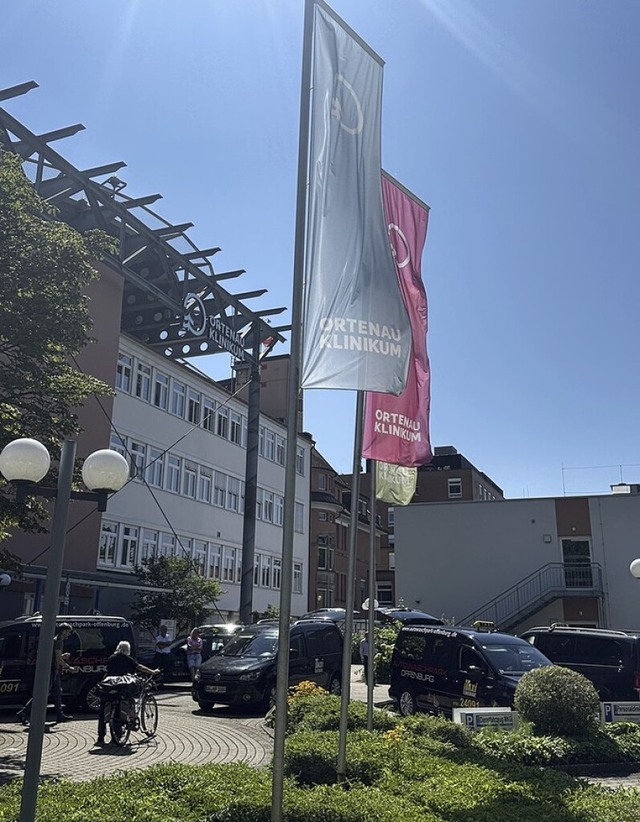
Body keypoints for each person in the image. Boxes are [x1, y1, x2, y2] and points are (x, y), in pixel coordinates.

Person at [96, 640, 159, 746]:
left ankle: (101, 737)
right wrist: (152, 672)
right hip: (122, 685)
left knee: (104, 708)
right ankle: (120, 731)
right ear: (128, 650)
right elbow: (139, 667)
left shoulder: (111, 658)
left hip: (109, 684)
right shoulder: (126, 658)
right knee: (126, 701)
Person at [18, 623, 78, 725]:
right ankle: (23, 712)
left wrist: (62, 656)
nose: (69, 634)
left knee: (58, 692)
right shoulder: (59, 642)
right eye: (68, 632)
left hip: (52, 669)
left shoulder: (55, 640)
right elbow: (58, 659)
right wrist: (68, 667)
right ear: (63, 631)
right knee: (43, 693)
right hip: (51, 670)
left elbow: (55, 656)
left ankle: (60, 714)